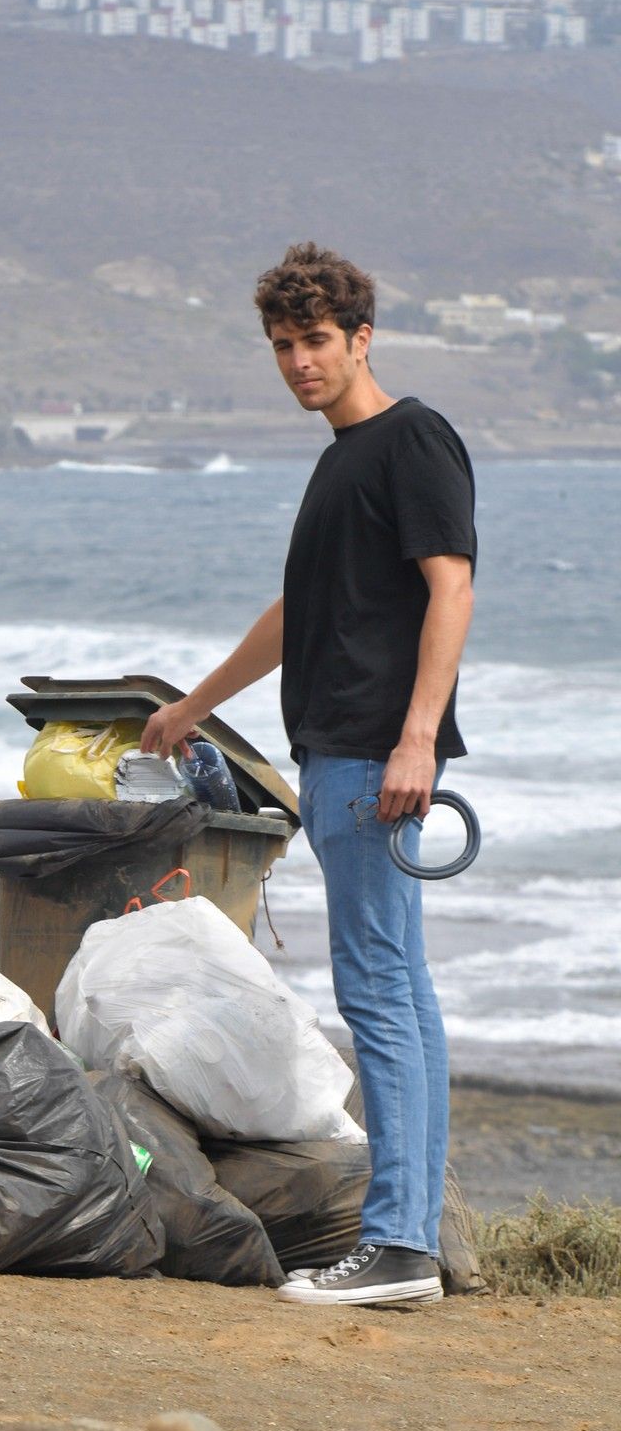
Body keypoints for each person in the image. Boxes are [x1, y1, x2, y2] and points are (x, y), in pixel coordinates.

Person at [141, 241, 476, 1308]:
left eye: (317, 341)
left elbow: (451, 588)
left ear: (361, 337)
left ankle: (397, 1249)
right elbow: (299, 614)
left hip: (373, 756)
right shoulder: (340, 462)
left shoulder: (411, 438)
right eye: (283, 346)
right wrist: (197, 705)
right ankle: (408, 1242)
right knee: (401, 995)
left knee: (379, 994)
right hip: (337, 752)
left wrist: (418, 738)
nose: (299, 362)